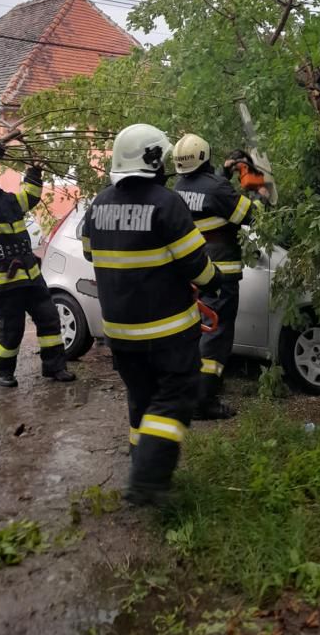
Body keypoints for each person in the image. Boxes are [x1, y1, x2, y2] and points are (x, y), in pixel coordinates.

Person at [81, 123, 225, 506]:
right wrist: (216, 280)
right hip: (168, 333)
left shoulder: (98, 204)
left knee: (140, 400)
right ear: (149, 160)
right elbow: (198, 267)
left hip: (120, 334)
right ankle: (147, 482)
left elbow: (90, 253)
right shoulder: (166, 203)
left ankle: (139, 462)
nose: (165, 165)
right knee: (176, 397)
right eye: (160, 158)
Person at [0, 157, 75, 388]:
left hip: (30, 273)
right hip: (5, 278)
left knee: (49, 319)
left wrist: (34, 170)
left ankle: (55, 367)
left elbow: (30, 196)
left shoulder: (9, 201)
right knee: (12, 329)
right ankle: (3, 372)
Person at [172, 134, 257, 420]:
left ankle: (192, 389)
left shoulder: (177, 187)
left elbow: (206, 198)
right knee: (216, 334)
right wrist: (255, 185)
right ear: (205, 156)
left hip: (188, 272)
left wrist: (225, 172)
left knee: (197, 331)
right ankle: (203, 401)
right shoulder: (217, 189)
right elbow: (251, 216)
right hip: (221, 273)